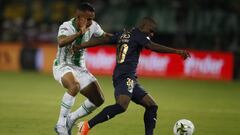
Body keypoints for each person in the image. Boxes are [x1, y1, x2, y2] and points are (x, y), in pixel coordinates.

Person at [74, 17, 190, 135]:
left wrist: (81, 46)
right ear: (144, 25)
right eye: (151, 30)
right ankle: (86, 125)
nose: (152, 34)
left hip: (128, 78)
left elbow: (103, 40)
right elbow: (152, 46)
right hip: (125, 77)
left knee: (152, 106)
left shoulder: (123, 34)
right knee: (121, 106)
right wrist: (177, 51)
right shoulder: (139, 35)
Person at [53, 2, 112, 135]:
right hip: (63, 65)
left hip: (80, 68)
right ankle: (60, 125)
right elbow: (61, 42)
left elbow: (104, 37)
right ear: (79, 17)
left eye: (92, 18)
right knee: (74, 86)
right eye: (88, 19)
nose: (91, 22)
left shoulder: (94, 26)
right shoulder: (66, 26)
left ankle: (71, 118)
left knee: (99, 100)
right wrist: (80, 33)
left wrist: (121, 37)